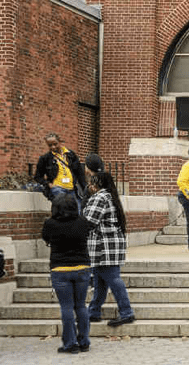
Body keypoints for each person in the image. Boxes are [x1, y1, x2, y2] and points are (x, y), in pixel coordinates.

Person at [83, 171, 136, 327]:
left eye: (91, 183)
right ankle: (94, 311)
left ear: (96, 184)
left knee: (112, 278)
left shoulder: (100, 197)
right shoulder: (110, 196)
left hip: (104, 245)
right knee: (100, 280)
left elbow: (89, 221)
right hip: (110, 243)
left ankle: (126, 312)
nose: (89, 186)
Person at [41, 194, 91, 353]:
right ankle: (84, 341)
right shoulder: (83, 222)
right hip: (82, 267)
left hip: (60, 269)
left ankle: (71, 344)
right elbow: (88, 234)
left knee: (67, 307)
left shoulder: (50, 223)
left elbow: (45, 238)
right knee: (81, 306)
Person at [34, 133, 86, 209]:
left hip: (72, 188)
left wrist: (84, 188)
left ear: (60, 142)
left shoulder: (70, 155)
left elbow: (80, 173)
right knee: (63, 210)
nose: (53, 147)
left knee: (77, 211)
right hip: (57, 188)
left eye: (55, 144)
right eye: (50, 145)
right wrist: (48, 184)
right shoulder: (45, 158)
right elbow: (37, 176)